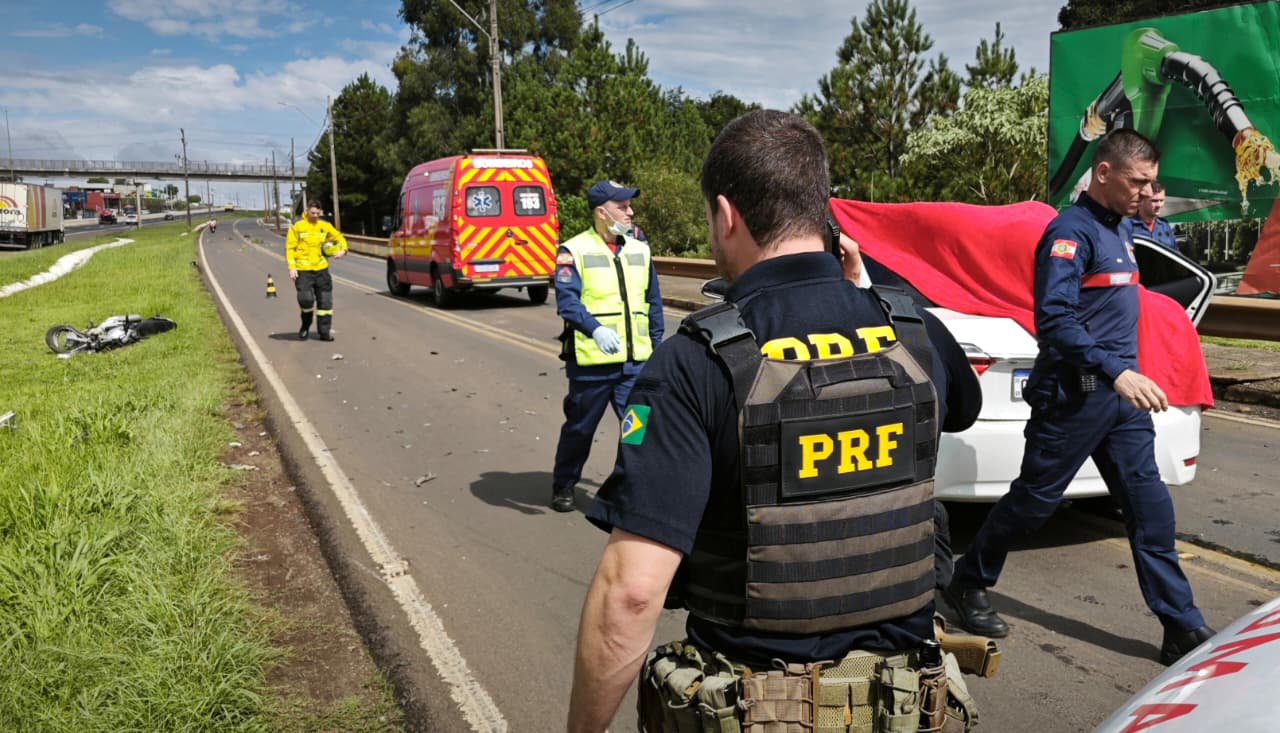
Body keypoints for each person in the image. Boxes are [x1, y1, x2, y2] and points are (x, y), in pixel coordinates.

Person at [567, 110, 983, 732]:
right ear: (821, 209)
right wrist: (861, 299)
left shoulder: (692, 363)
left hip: (765, 712)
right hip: (906, 707)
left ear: (726, 214)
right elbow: (965, 408)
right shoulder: (914, 331)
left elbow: (631, 593)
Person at [943, 129, 1213, 665]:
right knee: (1032, 506)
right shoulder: (1070, 234)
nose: (1147, 193)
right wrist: (1117, 372)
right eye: (1139, 182)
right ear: (1105, 172)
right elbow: (1055, 321)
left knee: (1150, 511)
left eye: (1153, 183)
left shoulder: (1124, 230)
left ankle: (1182, 625)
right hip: (1075, 398)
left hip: (1121, 403)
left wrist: (1127, 375)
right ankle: (966, 581)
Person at [551, 180, 662, 513]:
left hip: (635, 365)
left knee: (638, 430)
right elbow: (567, 303)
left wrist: (658, 347)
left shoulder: (639, 248)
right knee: (580, 428)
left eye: (630, 206)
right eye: (622, 206)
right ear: (602, 212)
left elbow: (652, 301)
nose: (630, 212)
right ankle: (564, 485)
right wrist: (595, 329)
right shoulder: (574, 251)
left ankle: (631, 489)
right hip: (592, 366)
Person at [286, 202, 347, 341]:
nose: (315, 216)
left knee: (325, 303)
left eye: (318, 213)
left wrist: (343, 250)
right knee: (306, 301)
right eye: (313, 213)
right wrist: (292, 267)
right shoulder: (297, 226)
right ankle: (306, 325)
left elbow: (339, 237)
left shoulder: (324, 226)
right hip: (303, 270)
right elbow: (290, 249)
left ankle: (324, 332)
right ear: (307, 211)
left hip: (321, 270)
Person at [1123, 180, 1178, 251]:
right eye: (1154, 201)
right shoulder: (1126, 226)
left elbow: (1175, 254)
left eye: (1162, 200)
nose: (1159, 205)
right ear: (1141, 201)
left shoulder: (1165, 226)